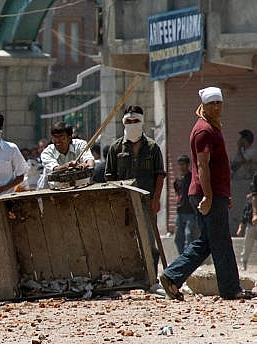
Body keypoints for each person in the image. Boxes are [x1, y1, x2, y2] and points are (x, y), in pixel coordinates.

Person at [160, 86, 249, 301]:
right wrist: (209, 197)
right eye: (212, 103)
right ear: (204, 105)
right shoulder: (204, 131)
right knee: (220, 242)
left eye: (219, 103)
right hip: (206, 194)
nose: (217, 107)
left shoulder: (211, 127)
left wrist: (223, 194)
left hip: (214, 193)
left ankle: (172, 276)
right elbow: (202, 166)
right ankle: (230, 289)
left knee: (209, 241)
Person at [105, 105, 166, 278]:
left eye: (135, 121)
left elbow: (159, 175)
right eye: (128, 121)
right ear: (123, 123)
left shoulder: (153, 148)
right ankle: (126, 279)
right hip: (124, 203)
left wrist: (156, 200)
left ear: (142, 122)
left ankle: (151, 278)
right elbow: (109, 177)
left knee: (149, 241)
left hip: (146, 203)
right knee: (124, 241)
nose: (132, 124)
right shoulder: (116, 148)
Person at [39, 122, 95, 188]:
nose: (57, 141)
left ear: (69, 138)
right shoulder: (47, 152)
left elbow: (89, 160)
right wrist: (68, 166)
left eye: (60, 137)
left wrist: (86, 165)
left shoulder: (80, 145)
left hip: (80, 188)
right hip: (54, 191)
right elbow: (55, 168)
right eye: (55, 137)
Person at [231, 129, 257, 235]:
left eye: (242, 139)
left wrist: (238, 148)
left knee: (247, 207)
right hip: (237, 183)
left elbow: (243, 161)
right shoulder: (240, 152)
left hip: (248, 183)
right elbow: (234, 166)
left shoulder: (252, 151)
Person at [173, 155, 197, 255]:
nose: (181, 167)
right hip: (180, 211)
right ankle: (181, 257)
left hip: (190, 211)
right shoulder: (177, 180)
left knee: (188, 235)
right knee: (178, 238)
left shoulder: (192, 178)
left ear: (188, 165)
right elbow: (177, 193)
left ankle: (187, 258)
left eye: (183, 164)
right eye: (180, 165)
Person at [238, 183, 255, 271]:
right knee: (247, 245)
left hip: (251, 225)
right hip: (251, 225)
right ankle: (244, 263)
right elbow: (246, 214)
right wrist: (241, 226)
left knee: (247, 245)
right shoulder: (250, 200)